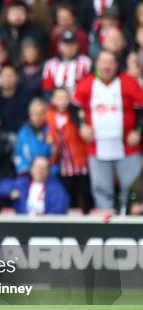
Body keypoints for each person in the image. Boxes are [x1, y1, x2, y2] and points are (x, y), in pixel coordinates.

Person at [72, 50, 143, 212]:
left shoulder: (129, 82)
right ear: (96, 64)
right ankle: (106, 224)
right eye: (103, 63)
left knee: (132, 189)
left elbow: (141, 109)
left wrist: (138, 131)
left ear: (116, 65)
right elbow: (73, 108)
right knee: (101, 188)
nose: (106, 67)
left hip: (127, 148)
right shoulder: (86, 83)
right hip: (97, 147)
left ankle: (131, 220)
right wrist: (82, 126)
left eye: (110, 63)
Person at [45, 88, 92, 213]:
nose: (62, 101)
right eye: (58, 97)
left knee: (84, 192)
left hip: (79, 161)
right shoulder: (49, 116)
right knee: (67, 193)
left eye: (65, 97)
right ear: (53, 100)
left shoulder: (76, 114)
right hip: (61, 163)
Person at [0, 156, 70, 215]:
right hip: (24, 223)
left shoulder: (56, 188)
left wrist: (46, 217)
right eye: (37, 167)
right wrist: (9, 192)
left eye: (43, 168)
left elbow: (59, 209)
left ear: (48, 171)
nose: (40, 171)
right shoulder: (22, 183)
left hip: (46, 226)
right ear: (31, 169)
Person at [42, 30, 92, 96]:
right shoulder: (50, 64)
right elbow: (47, 89)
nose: (69, 47)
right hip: (57, 102)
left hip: (78, 102)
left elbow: (89, 86)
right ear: (59, 46)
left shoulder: (86, 62)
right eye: (66, 44)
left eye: (72, 44)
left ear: (77, 45)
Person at [14, 99, 56, 176]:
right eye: (34, 114)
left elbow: (57, 156)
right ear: (29, 115)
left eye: (41, 113)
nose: (38, 117)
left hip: (50, 175)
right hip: (28, 175)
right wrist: (28, 170)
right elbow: (18, 156)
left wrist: (48, 171)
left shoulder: (53, 131)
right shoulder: (23, 132)